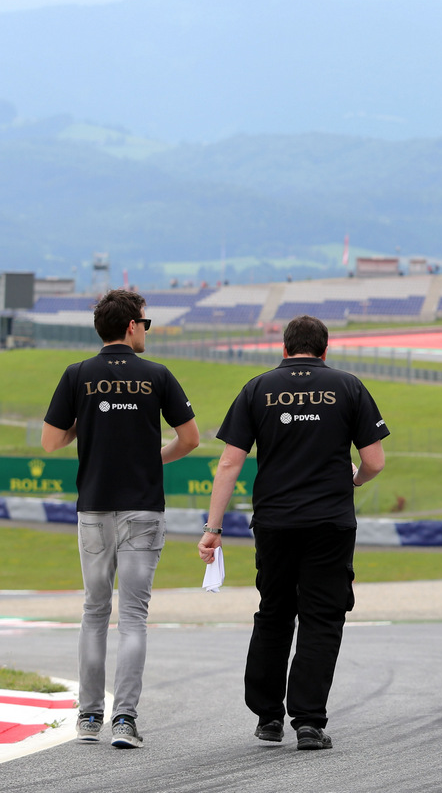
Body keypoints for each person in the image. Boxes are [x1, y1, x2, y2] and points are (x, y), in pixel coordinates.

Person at [198, 315, 389, 751]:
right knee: (323, 617)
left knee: (275, 612)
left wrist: (213, 527)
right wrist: (352, 481)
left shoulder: (257, 388)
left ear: (284, 350)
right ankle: (308, 721)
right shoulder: (349, 386)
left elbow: (229, 463)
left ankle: (268, 716)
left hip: (275, 521)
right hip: (330, 522)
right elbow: (375, 461)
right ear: (325, 349)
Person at [42, 289, 200, 748]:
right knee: (132, 616)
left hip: (93, 508)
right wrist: (155, 459)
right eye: (145, 323)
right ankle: (125, 720)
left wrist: (86, 422)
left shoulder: (77, 375)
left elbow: (52, 442)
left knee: (94, 612)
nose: (146, 331)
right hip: (143, 509)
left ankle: (89, 717)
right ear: (131, 325)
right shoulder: (156, 375)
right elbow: (188, 438)